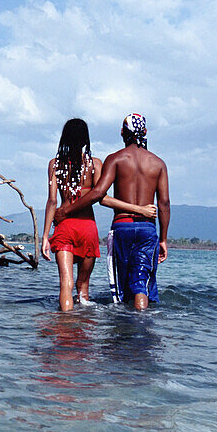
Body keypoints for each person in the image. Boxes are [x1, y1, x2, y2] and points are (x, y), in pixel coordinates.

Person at [55, 113, 170, 310]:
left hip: (121, 227)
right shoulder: (158, 163)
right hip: (147, 229)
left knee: (121, 288)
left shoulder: (115, 159)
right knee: (140, 284)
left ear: (122, 133)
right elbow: (164, 204)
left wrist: (66, 211)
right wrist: (163, 239)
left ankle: (122, 333)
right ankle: (140, 325)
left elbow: (98, 193)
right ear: (145, 132)